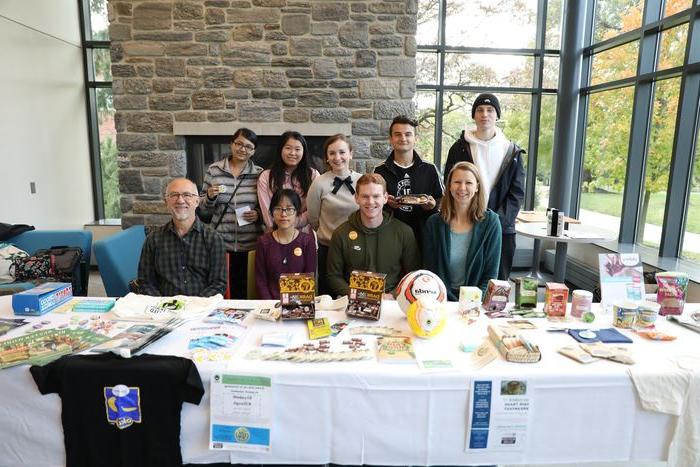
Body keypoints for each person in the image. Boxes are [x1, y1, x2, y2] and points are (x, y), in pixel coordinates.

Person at [443, 93, 525, 281]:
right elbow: (450, 184)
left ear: (497, 115)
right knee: (466, 279)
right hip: (465, 224)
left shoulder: (511, 151)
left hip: (503, 228)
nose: (484, 114)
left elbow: (517, 192)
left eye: (490, 110)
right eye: (479, 110)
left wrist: (497, 223)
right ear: (473, 115)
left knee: (496, 284)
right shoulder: (459, 148)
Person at [327, 173, 420, 298]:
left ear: (385, 198)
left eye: (376, 196)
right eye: (365, 196)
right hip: (353, 299)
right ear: (356, 198)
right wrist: (355, 294)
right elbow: (333, 276)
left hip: (392, 301)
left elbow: (413, 274)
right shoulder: (341, 233)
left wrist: (392, 295)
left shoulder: (404, 232)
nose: (370, 202)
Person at [199, 128, 262, 299]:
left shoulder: (259, 174)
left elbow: (266, 208)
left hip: (250, 245)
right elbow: (203, 210)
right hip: (220, 244)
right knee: (222, 292)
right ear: (231, 144)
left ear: (254, 151)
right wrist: (210, 198)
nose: (243, 149)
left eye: (248, 146)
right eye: (239, 144)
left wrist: (258, 214)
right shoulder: (214, 170)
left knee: (247, 292)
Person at [423, 162, 502, 299]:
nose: (462, 188)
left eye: (469, 183)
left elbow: (490, 276)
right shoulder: (434, 224)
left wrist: (470, 303)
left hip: (476, 302)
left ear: (477, 187)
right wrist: (448, 302)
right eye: (457, 182)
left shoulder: (491, 223)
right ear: (449, 186)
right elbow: (430, 273)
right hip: (441, 300)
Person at [138, 178, 227, 297]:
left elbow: (218, 284)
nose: (180, 200)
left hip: (201, 310)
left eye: (187, 195)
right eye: (174, 195)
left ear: (197, 201)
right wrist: (163, 305)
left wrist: (193, 306)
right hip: (164, 310)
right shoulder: (153, 239)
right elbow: (145, 282)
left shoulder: (213, 239)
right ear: (166, 202)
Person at [374, 115, 444, 251]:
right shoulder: (379, 170)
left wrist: (433, 206)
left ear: (415, 139)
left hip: (424, 237)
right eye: (397, 134)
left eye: (408, 134)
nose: (403, 138)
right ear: (391, 139)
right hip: (390, 238)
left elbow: (443, 200)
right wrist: (386, 202)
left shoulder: (430, 169)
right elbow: (373, 204)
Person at [307, 134, 361, 295]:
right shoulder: (319, 183)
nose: (337, 157)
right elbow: (313, 218)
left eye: (342, 152)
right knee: (327, 296)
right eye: (332, 153)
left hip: (357, 248)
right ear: (327, 158)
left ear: (350, 153)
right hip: (328, 249)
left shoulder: (362, 180)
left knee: (356, 294)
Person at [255, 189, 317, 299]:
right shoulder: (263, 242)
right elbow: (260, 281)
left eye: (289, 209)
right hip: (270, 304)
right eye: (278, 209)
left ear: (298, 213)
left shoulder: (307, 242)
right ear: (271, 213)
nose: (283, 214)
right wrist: (272, 305)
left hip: (299, 305)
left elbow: (309, 279)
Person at [257, 131, 320, 232]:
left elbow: (314, 209)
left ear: (304, 152)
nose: (292, 153)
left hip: (304, 234)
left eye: (297, 149)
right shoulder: (266, 176)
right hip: (275, 233)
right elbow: (266, 211)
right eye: (288, 148)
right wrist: (280, 226)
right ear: (280, 150)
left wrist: (291, 224)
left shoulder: (313, 175)